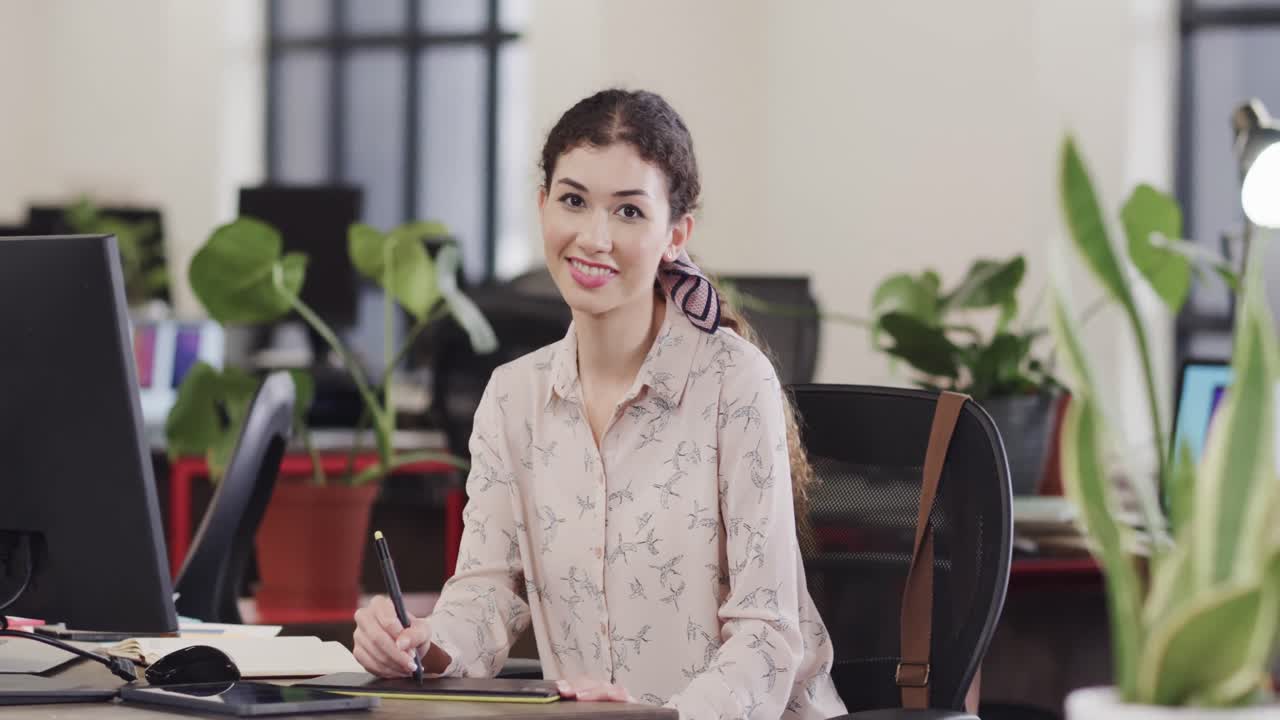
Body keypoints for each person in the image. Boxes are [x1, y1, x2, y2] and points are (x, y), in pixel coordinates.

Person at [353, 89, 847, 719]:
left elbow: (768, 635)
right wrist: (428, 647)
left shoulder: (734, 381)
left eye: (629, 212)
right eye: (574, 201)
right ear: (542, 208)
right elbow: (486, 595)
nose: (594, 237)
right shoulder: (513, 396)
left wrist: (664, 717)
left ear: (676, 235)